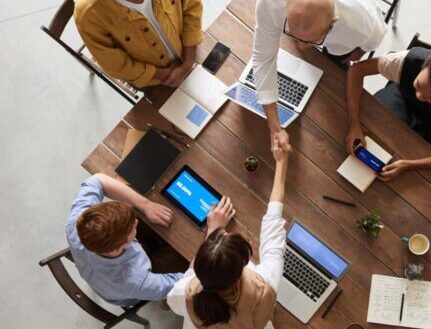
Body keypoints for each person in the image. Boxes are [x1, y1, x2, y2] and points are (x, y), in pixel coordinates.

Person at [167, 137, 290, 328]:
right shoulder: (264, 285)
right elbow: (273, 229)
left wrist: (212, 231)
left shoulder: (184, 292)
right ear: (242, 267)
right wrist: (282, 162)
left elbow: (178, 294)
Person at [252, 0, 386, 154]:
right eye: (293, 34)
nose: (301, 46)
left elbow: (375, 37)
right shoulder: (269, 3)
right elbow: (263, 59)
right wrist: (275, 128)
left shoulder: (361, 23)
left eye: (311, 41)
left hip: (344, 43)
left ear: (332, 23)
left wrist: (361, 50)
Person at [346, 33, 431, 181]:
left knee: (411, 163)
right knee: (373, 129)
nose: (419, 96)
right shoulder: (407, 61)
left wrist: (409, 165)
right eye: (418, 85)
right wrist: (354, 124)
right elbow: (356, 71)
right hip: (401, 99)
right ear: (423, 66)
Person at [66, 173, 185, 307]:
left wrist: (145, 205)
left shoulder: (78, 223)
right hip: (136, 286)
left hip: (106, 273)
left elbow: (97, 179)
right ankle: (165, 302)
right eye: (132, 227)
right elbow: (183, 286)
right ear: (118, 247)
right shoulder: (136, 281)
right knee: (188, 256)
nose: (136, 221)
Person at [74, 0, 203, 88]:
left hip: (190, 51)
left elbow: (192, 7)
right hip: (155, 82)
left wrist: (187, 62)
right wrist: (165, 75)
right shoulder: (88, 15)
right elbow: (117, 65)